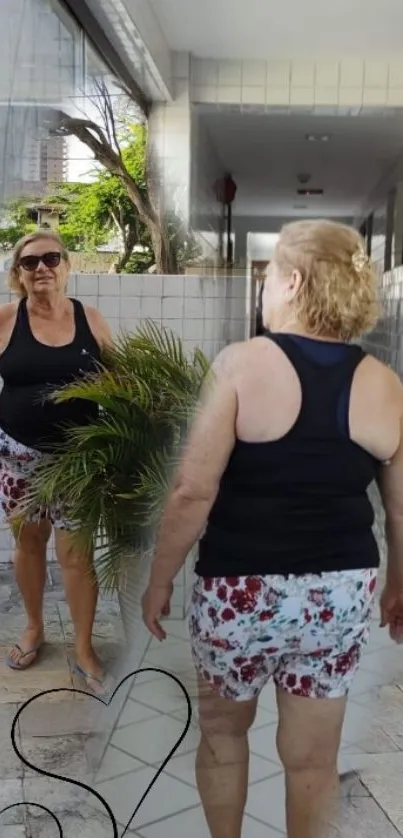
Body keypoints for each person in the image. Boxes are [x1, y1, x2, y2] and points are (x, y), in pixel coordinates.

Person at [142, 218, 403, 838]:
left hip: (240, 593)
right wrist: (398, 584)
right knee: (313, 760)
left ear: (292, 281)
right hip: (338, 597)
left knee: (225, 737)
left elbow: (191, 491)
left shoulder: (241, 363)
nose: (262, 291)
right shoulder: (386, 384)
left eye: (266, 279)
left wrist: (159, 582)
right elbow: (399, 510)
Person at [0, 230, 113, 696]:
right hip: (19, 457)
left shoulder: (90, 319)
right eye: (30, 262)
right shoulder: (7, 319)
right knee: (29, 546)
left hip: (78, 462)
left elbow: (123, 381)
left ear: (66, 266)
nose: (41, 267)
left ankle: (84, 647)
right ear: (19, 275)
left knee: (75, 555)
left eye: (51, 258)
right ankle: (33, 629)